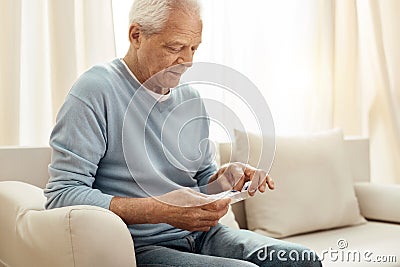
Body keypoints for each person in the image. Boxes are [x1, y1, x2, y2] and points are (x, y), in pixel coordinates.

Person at [45, 0, 322, 266]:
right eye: (176, 47)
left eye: (194, 48)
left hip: (203, 236)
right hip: (140, 246)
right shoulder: (95, 90)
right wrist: (162, 210)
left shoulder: (191, 99)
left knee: (301, 260)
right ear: (136, 35)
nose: (188, 61)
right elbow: (62, 194)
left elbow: (203, 184)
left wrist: (225, 179)